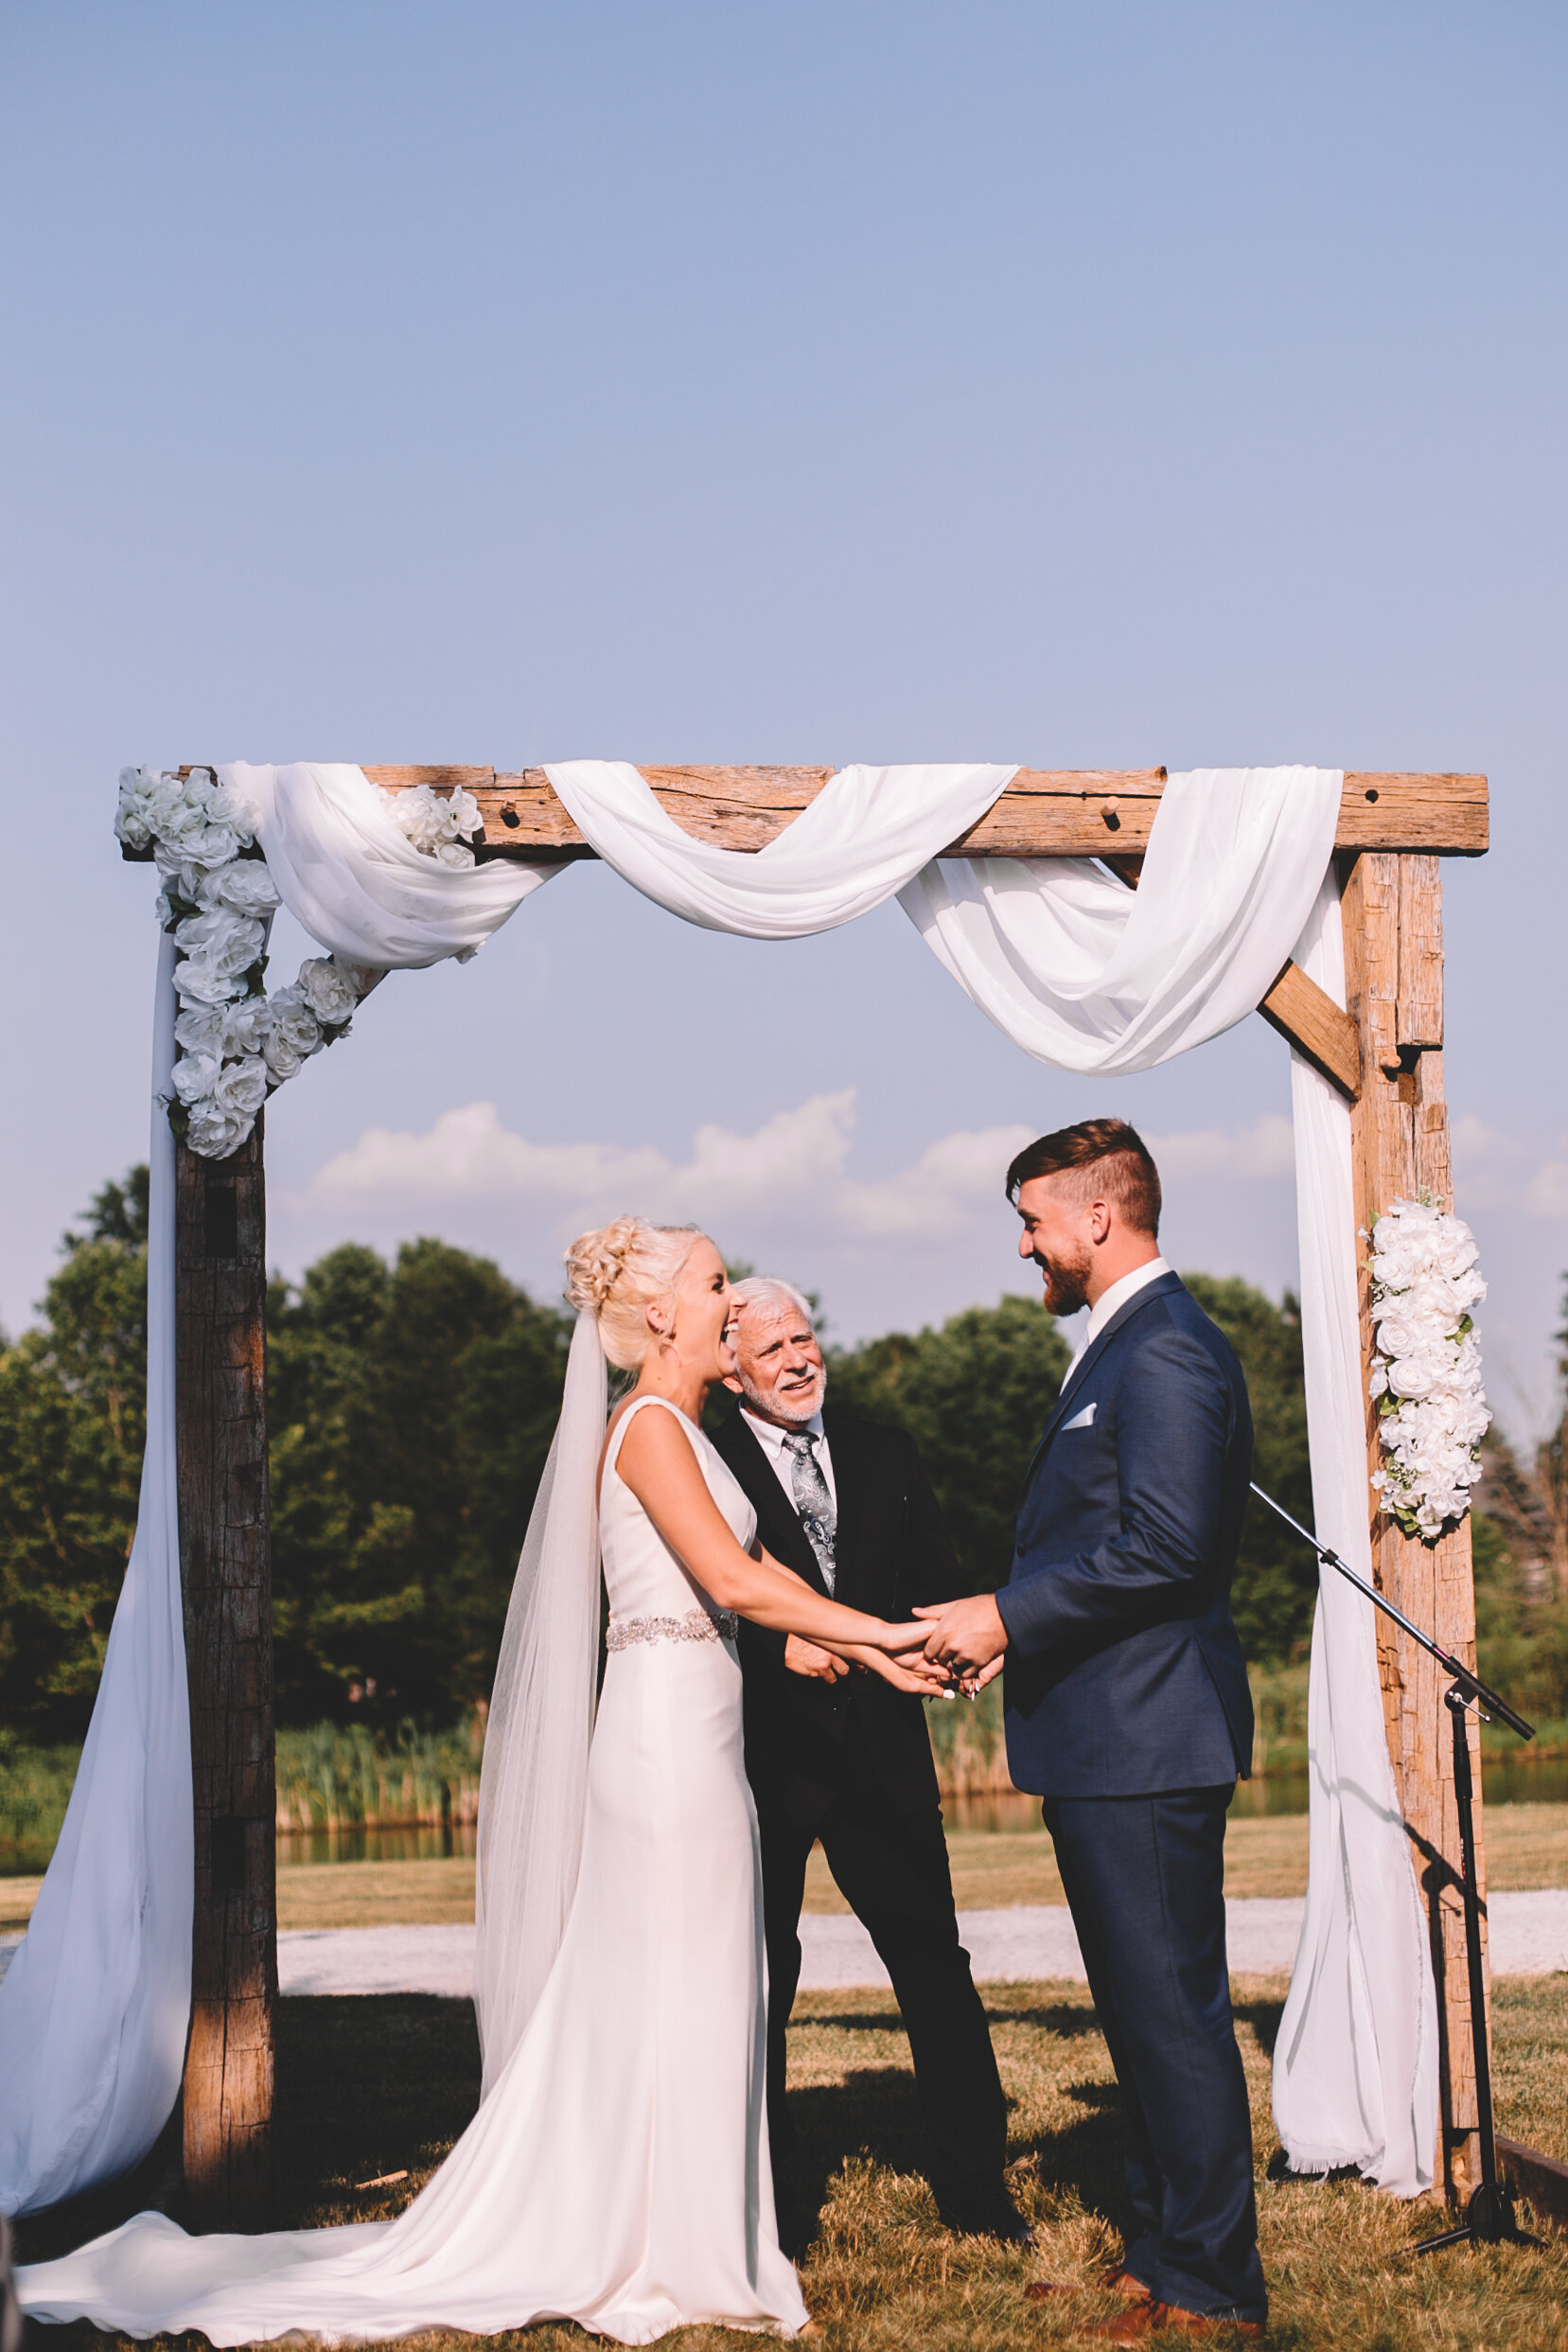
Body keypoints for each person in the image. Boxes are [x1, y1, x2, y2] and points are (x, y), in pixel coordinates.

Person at [19, 1220, 943, 2346]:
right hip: (658, 1743)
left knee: (710, 1978)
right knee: (679, 1973)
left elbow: (734, 1591)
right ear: (660, 1312)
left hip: (701, 1727)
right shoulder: (648, 1425)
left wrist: (826, 1642)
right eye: (711, 1285)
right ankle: (662, 2243)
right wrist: (884, 1638)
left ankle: (692, 2228)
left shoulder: (689, 1431)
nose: (726, 1304)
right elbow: (732, 1580)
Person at [917, 1120, 1267, 2344]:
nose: (1025, 1247)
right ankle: (1162, 2243)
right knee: (1137, 2006)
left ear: (1097, 1219)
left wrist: (1002, 1614)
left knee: (1169, 2009)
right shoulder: (1121, 1345)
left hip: (1146, 1736)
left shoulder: (1164, 1351)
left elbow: (1165, 1550)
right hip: (1110, 1736)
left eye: (1032, 1222)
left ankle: (1214, 2283)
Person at [710, 1279, 1026, 2253]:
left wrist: (967, 1635)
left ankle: (977, 2186)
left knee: (933, 1963)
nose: (798, 1360)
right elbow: (699, 1592)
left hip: (885, 1753)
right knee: (759, 1973)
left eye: (804, 1338)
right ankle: (766, 2193)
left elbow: (931, 1578)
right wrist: (777, 1648)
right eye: (773, 1351)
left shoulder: (886, 1448)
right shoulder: (705, 1458)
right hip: (767, 1755)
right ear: (731, 1372)